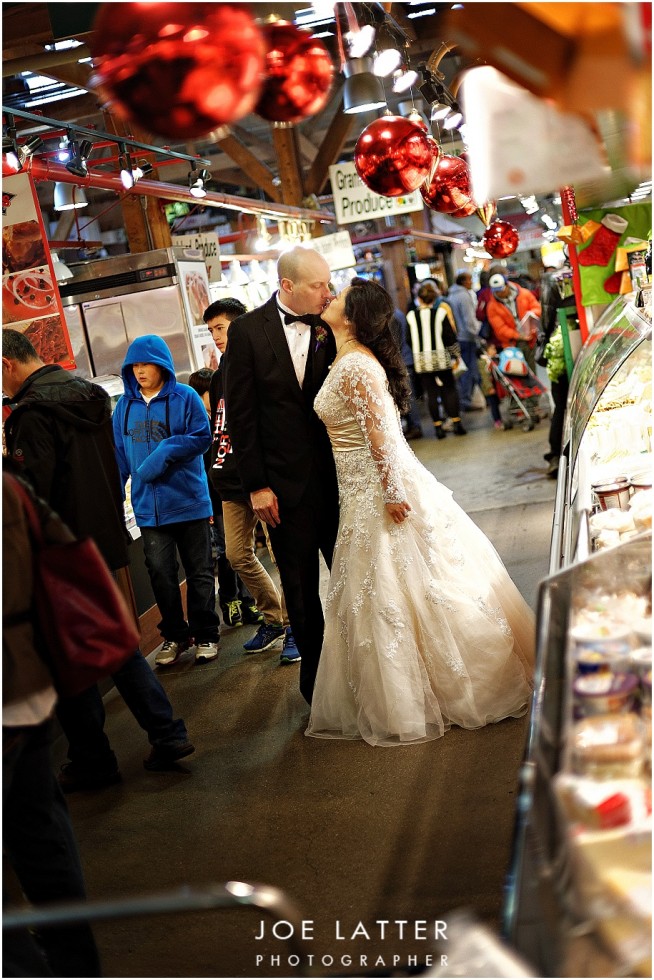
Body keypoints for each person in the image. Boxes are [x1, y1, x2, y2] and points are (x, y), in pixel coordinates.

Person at [305, 278, 534, 746]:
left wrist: (391, 491)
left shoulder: (356, 367)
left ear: (352, 317)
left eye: (339, 296)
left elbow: (381, 434)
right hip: (356, 488)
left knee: (404, 581)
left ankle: (436, 690)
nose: (330, 297)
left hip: (376, 487)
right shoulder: (344, 357)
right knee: (387, 586)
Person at [2, 329, 193, 789]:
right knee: (111, 645)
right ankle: (161, 736)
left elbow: (36, 496)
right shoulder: (89, 396)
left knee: (73, 661)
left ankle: (97, 758)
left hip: (57, 552)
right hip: (100, 540)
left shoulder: (30, 415)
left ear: (7, 364)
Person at [223, 245, 340, 703]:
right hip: (280, 491)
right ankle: (316, 686)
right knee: (300, 590)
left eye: (328, 283)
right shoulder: (248, 332)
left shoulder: (332, 324)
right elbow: (242, 416)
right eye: (318, 285)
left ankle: (361, 671)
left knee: (354, 578)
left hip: (336, 480)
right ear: (287, 286)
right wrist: (256, 485)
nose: (327, 292)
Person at [3, 468, 102, 977]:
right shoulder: (10, 486)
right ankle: (75, 961)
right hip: (30, 682)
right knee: (40, 832)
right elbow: (60, 544)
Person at [113, 335, 221, 669]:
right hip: (148, 509)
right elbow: (118, 455)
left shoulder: (185, 397)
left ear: (161, 365)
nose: (139, 370)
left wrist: (165, 452)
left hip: (188, 500)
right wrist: (117, 500)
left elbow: (203, 438)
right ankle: (174, 634)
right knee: (161, 574)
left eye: (145, 364)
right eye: (134, 365)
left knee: (200, 571)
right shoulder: (124, 407)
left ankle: (206, 633)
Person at [203, 298, 298, 663]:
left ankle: (294, 627)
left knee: (282, 553)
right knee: (236, 555)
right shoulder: (218, 373)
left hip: (264, 479)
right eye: (210, 330)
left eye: (221, 328)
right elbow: (222, 426)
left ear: (240, 326)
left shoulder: (262, 362)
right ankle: (272, 617)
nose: (215, 336)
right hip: (229, 478)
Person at [187, 366, 263, 630]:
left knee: (244, 549)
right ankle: (230, 599)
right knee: (227, 552)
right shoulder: (198, 420)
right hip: (214, 494)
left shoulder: (223, 413)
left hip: (236, 487)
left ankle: (249, 599)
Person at [405, 280, 467, 438]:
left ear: (418, 299)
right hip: (441, 358)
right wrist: (456, 355)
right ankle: (457, 423)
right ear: (434, 298)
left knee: (431, 393)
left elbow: (408, 339)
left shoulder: (411, 316)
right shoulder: (440, 313)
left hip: (422, 361)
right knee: (449, 390)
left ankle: (438, 428)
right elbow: (450, 337)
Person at [486, 272, 542, 372]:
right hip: (512, 344)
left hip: (530, 339)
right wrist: (518, 335)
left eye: (501, 290)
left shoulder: (524, 294)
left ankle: (532, 387)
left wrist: (531, 315)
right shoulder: (492, 307)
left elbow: (537, 308)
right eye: (496, 291)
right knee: (517, 372)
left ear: (507, 285)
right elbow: (500, 329)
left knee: (532, 371)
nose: (499, 293)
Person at [447, 272, 482, 411]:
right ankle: (466, 400)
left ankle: (466, 399)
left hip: (458, 337)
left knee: (464, 370)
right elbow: (469, 320)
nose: (471, 282)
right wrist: (477, 335)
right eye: (469, 279)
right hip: (467, 337)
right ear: (463, 282)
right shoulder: (464, 296)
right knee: (471, 370)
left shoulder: (451, 295)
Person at [390, 307, 423, 440]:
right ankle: (413, 426)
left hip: (402, 360)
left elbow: (395, 342)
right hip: (405, 359)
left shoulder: (392, 316)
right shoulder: (397, 313)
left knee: (407, 395)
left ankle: (415, 426)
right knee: (407, 394)